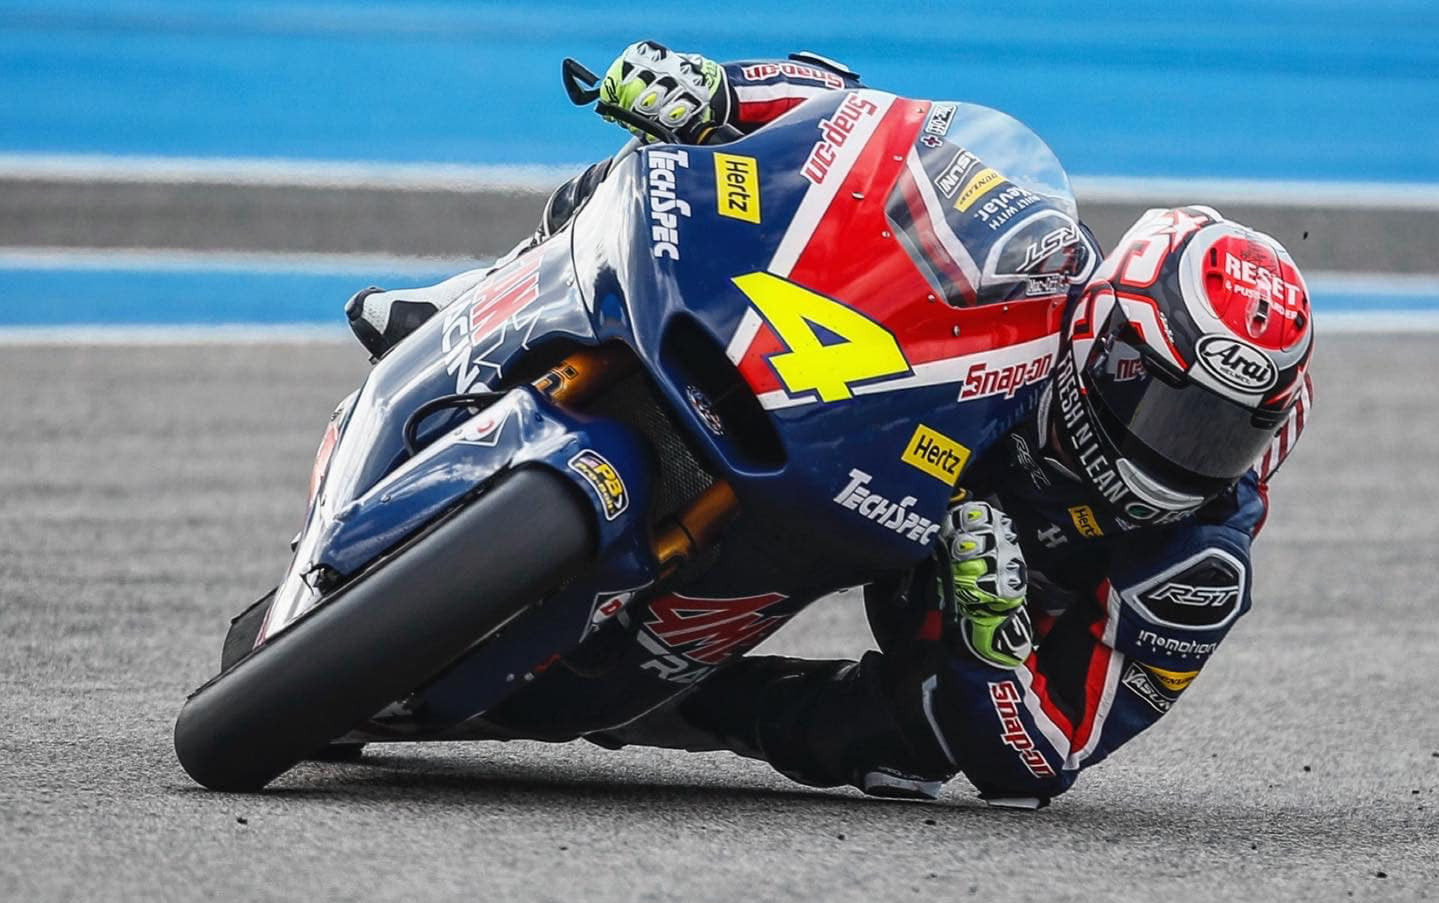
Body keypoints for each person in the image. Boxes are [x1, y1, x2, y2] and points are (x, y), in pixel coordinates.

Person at [351, 43, 1316, 807]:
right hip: (886, 432)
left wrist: (991, 641)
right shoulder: (1045, 258)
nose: (1182, 449)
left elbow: (1052, 750)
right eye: (1168, 405)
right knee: (662, 180)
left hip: (951, 598)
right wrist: (723, 92)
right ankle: (475, 298)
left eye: (1218, 432)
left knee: (917, 744)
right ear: (1105, 338)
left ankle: (694, 702)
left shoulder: (1197, 561)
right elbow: (864, 127)